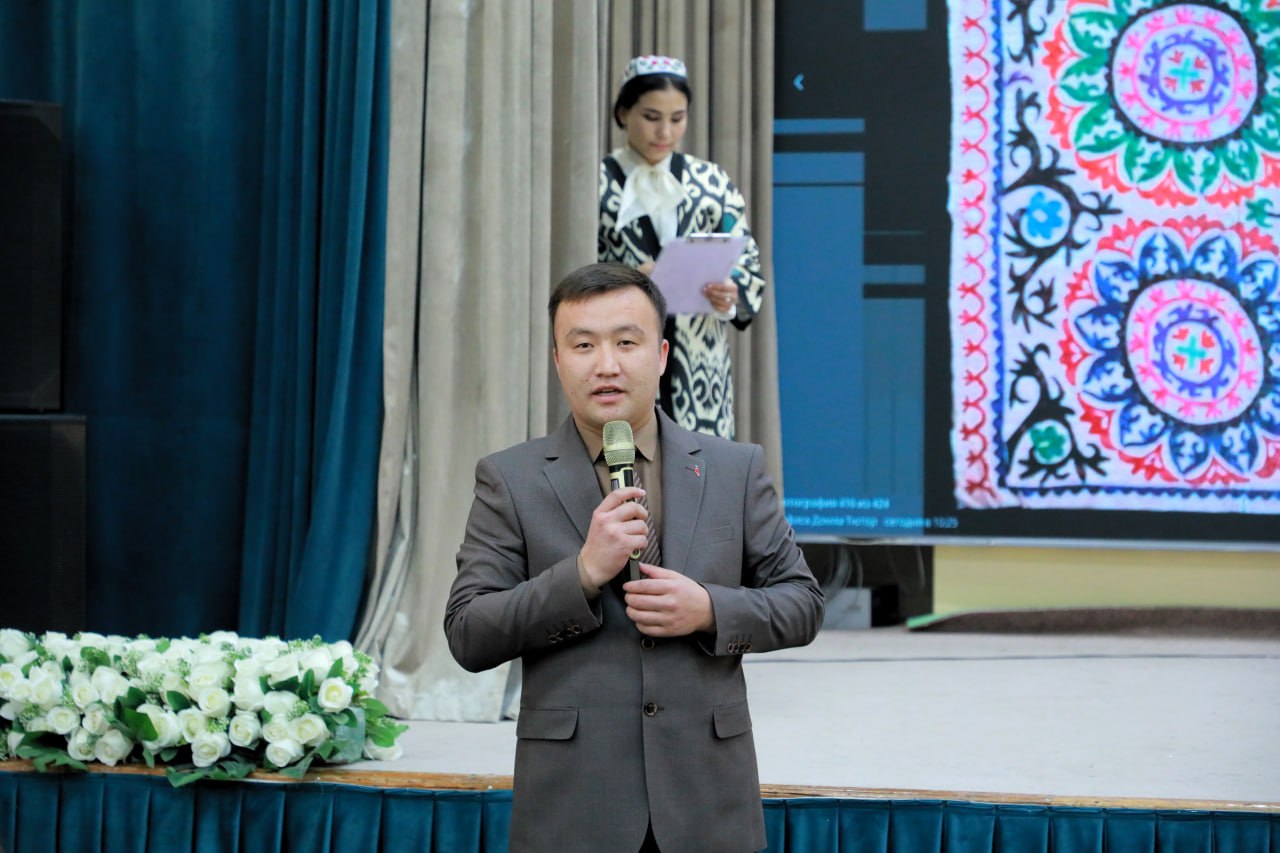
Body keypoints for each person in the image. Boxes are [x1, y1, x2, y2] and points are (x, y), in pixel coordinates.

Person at [445, 263, 823, 853]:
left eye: (626, 342)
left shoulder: (734, 468)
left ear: (662, 354)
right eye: (583, 345)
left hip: (707, 803)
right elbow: (469, 632)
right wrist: (581, 575)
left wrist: (709, 610)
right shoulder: (511, 479)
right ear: (557, 360)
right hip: (574, 807)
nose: (606, 365)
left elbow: (802, 603)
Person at [599, 55, 765, 440]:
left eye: (677, 118)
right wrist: (628, 279)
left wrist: (730, 293)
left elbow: (748, 264)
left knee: (701, 469)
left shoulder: (712, 182)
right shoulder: (596, 183)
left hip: (701, 374)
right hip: (621, 365)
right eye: (651, 117)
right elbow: (572, 274)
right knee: (624, 468)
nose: (665, 132)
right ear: (623, 113)